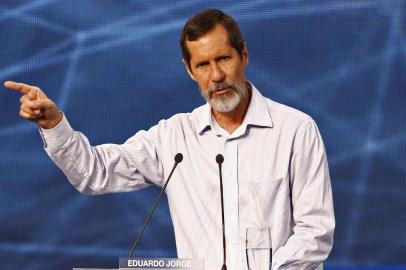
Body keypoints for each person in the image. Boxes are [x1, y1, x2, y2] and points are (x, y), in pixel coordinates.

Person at [4, 9, 335, 270]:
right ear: (190, 71)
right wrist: (54, 124)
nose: (216, 75)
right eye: (203, 64)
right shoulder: (173, 137)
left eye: (223, 59)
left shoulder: (295, 130)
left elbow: (314, 232)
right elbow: (95, 173)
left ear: (244, 55)